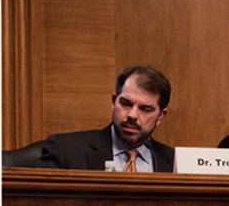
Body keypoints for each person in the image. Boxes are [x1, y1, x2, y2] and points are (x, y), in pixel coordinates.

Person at [37, 65, 174, 171]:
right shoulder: (65, 151)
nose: (132, 115)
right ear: (114, 102)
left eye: (144, 109)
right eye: (126, 104)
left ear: (161, 116)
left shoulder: (174, 163)